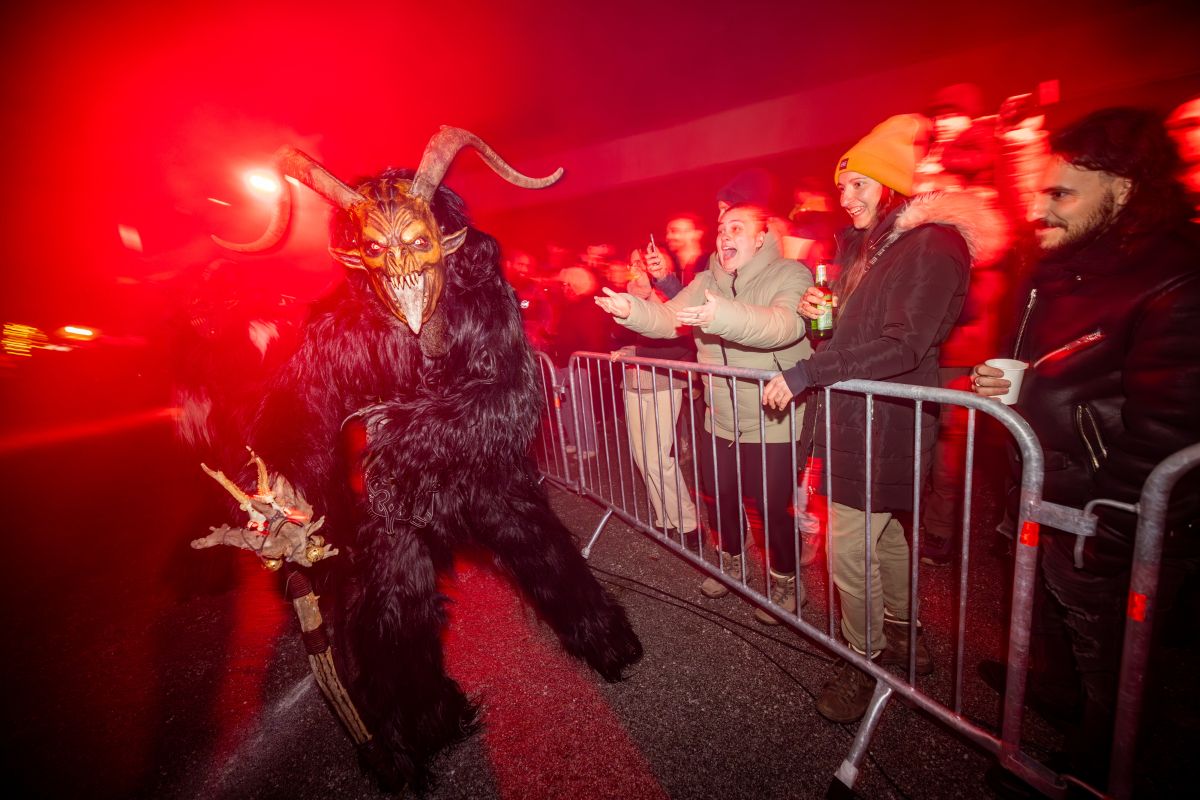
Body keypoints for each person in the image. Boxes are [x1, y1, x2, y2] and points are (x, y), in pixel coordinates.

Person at [970, 107, 1200, 788]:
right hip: (1052, 485)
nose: (1040, 207)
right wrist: (1011, 380)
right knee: (1052, 617)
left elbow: (1171, 427)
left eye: (1061, 193)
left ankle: (1099, 774)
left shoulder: (1177, 276)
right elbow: (1059, 365)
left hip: (1106, 507)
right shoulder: (1068, 260)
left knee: (1116, 664)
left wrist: (1112, 526)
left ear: (1122, 189)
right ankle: (1053, 700)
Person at [763, 114, 1008, 722]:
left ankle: (863, 659)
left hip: (886, 419)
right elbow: (865, 333)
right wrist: (825, 314)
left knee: (849, 549)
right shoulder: (872, 246)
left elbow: (904, 345)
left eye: (859, 185)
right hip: (862, 414)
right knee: (890, 535)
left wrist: (808, 371)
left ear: (893, 185)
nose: (846, 198)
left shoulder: (933, 244)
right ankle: (903, 636)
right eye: (842, 187)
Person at [596, 204, 812, 625]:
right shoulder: (706, 280)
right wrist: (631, 310)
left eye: (737, 227)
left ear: (761, 238)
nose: (725, 235)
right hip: (721, 414)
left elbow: (784, 325)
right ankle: (731, 564)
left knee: (772, 505)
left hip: (774, 415)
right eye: (721, 229)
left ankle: (786, 580)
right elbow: (667, 318)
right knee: (721, 496)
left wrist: (720, 315)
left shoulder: (790, 274)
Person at [616, 246, 700, 546]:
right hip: (633, 381)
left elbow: (680, 345)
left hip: (664, 381)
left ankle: (689, 523)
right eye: (631, 262)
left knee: (658, 458)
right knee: (642, 457)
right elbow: (616, 339)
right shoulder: (630, 296)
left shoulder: (669, 296)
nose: (635, 267)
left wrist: (636, 351)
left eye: (641, 262)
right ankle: (665, 517)